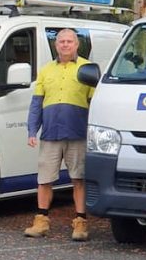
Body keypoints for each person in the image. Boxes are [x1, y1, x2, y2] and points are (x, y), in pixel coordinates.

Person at [24, 28, 94, 241]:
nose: (65, 45)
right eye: (61, 41)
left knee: (78, 178)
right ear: (55, 45)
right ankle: (41, 221)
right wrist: (32, 130)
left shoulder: (88, 69)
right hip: (51, 133)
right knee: (44, 179)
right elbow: (36, 103)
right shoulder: (45, 71)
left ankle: (81, 223)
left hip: (78, 132)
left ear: (76, 44)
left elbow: (94, 104)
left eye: (69, 41)